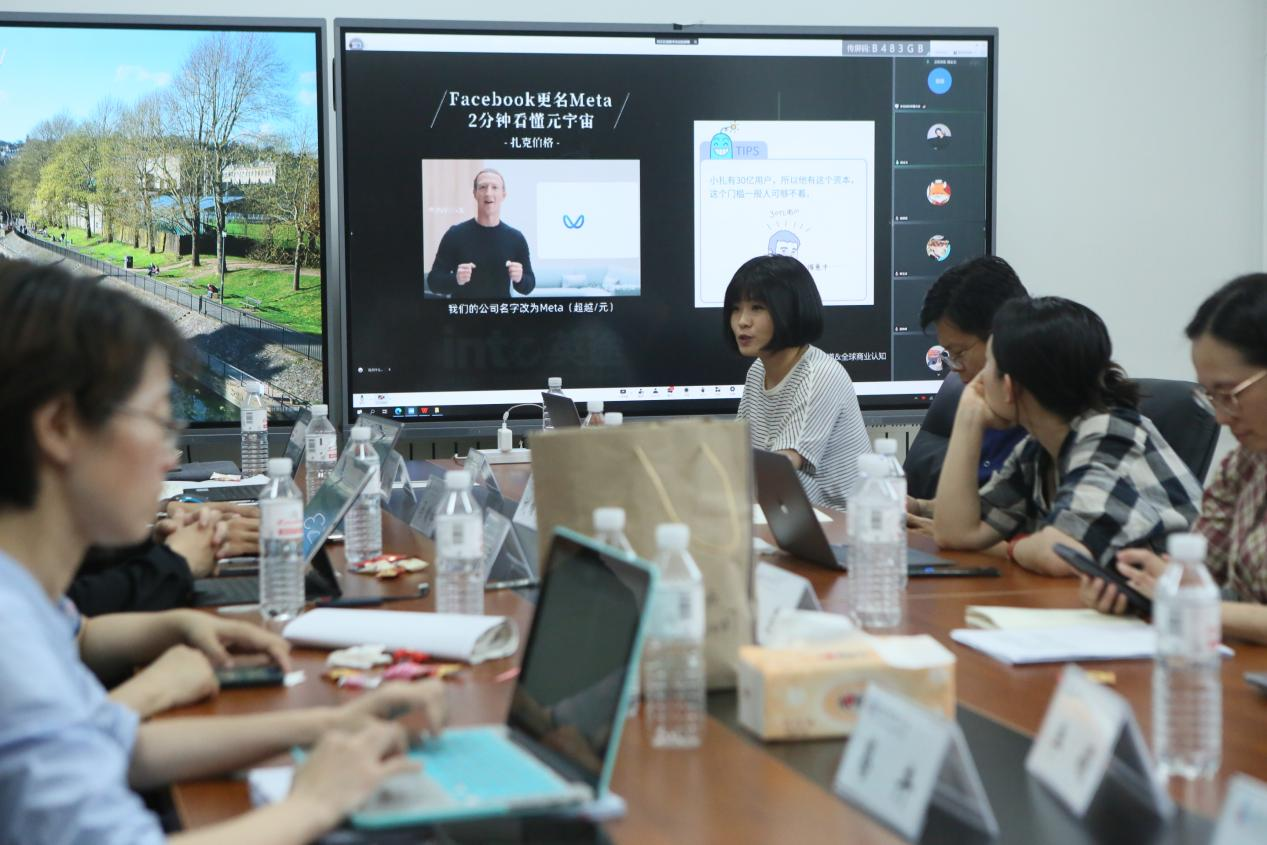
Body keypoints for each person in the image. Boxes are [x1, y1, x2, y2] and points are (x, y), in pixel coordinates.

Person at [0, 259, 447, 844]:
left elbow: (115, 742)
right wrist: (313, 804)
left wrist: (329, 723)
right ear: (59, 427)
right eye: (159, 421)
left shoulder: (26, 599)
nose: (169, 456)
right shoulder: (11, 635)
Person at [932, 296, 1203, 576]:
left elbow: (1063, 555)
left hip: (1187, 599)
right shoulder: (1037, 450)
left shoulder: (1110, 435)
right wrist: (968, 419)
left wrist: (1014, 547)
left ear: (1009, 386)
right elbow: (955, 533)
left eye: (989, 364)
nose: (979, 381)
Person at [1081, 274, 1267, 643]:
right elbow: (1205, 575)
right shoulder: (1243, 465)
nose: (1220, 417)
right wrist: (1148, 582)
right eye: (1209, 397)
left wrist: (1177, 601)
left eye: (1230, 394)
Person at [726, 255, 870, 510]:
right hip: (788, 511)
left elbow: (783, 463)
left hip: (845, 520)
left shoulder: (819, 375)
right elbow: (739, 452)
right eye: (736, 308)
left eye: (757, 308)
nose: (742, 321)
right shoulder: (758, 370)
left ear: (790, 311)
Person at [906, 256, 1030, 515]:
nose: (956, 369)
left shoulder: (1041, 428)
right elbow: (987, 509)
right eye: (949, 355)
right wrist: (919, 508)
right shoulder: (993, 405)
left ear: (1002, 337)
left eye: (959, 353)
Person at [427, 169, 536, 298]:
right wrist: (456, 279)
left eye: (494, 187)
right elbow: (433, 281)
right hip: (463, 310)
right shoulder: (455, 234)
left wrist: (520, 278)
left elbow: (529, 285)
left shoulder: (516, 238)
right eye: (483, 187)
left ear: (503, 194)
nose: (488, 193)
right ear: (475, 193)